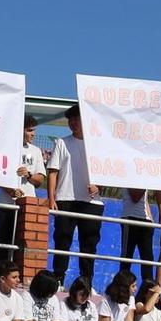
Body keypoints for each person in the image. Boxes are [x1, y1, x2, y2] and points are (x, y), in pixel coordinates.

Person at [47, 106, 101, 289]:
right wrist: (51, 198)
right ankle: (59, 279)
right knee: (62, 240)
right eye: (70, 120)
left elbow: (107, 171)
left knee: (89, 244)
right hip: (65, 197)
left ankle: (86, 282)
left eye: (76, 119)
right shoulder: (61, 143)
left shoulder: (97, 144)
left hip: (92, 202)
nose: (73, 123)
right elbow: (53, 172)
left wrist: (99, 186)